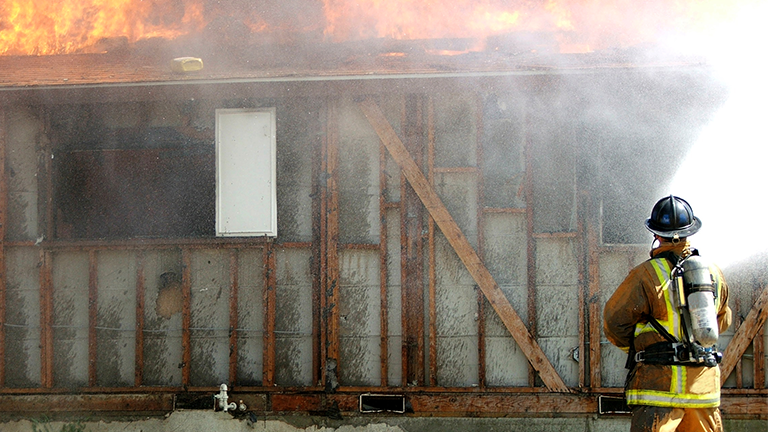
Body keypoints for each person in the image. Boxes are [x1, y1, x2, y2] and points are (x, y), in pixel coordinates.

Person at [604, 195, 732, 432]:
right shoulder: (714, 273)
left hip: (658, 390)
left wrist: (644, 347)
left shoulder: (645, 275)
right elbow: (721, 321)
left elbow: (614, 324)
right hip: (702, 391)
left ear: (656, 234)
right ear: (689, 232)